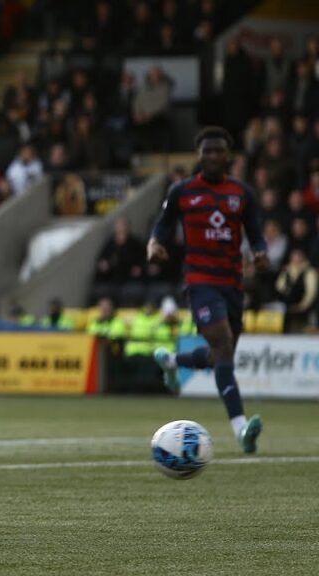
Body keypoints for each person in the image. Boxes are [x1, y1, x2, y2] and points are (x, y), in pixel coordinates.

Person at [149, 126, 267, 454]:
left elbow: (255, 233)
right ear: (199, 155)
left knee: (220, 356)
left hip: (232, 283)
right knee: (223, 343)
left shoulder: (241, 193)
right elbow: (163, 224)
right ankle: (241, 429)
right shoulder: (182, 192)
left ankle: (174, 361)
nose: (212, 156)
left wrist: (260, 252)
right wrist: (154, 243)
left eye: (218, 151)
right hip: (200, 281)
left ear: (227, 155)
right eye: (206, 151)